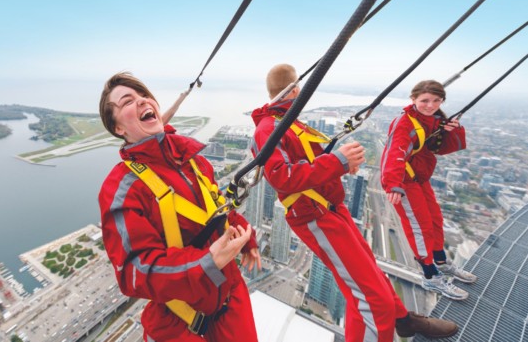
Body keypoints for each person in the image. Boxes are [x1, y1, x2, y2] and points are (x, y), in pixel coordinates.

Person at [251, 64, 458, 342]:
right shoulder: (269, 128)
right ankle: (394, 321)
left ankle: (403, 320)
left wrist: (338, 165)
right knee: (370, 298)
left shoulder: (287, 123)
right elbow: (282, 177)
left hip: (331, 209)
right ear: (297, 90)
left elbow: (306, 163)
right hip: (314, 216)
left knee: (370, 275)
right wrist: (337, 161)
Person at [98, 72, 261, 342]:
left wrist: (247, 237)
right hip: (178, 321)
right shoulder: (123, 188)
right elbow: (133, 271)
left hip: (229, 294)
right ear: (118, 129)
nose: (141, 101)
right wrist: (205, 263)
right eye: (128, 101)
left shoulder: (193, 161)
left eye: (144, 95)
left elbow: (217, 209)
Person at [381, 80, 477, 300]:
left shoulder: (433, 121)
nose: (430, 105)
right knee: (419, 226)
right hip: (404, 181)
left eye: (436, 100)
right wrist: (393, 183)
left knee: (435, 220)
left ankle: (441, 263)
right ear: (413, 99)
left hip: (419, 178)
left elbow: (440, 148)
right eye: (424, 100)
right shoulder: (405, 122)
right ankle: (430, 275)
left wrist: (454, 130)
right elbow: (394, 152)